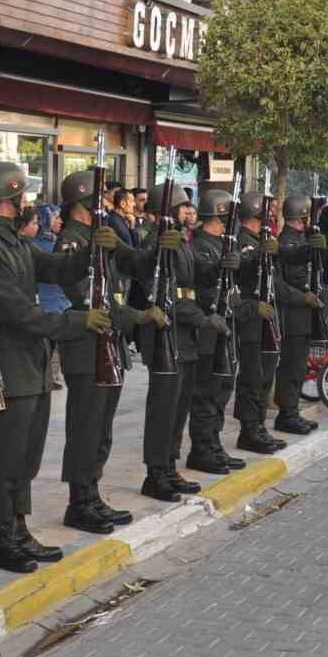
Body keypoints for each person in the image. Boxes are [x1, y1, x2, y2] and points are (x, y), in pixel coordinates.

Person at [0, 163, 111, 571]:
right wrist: (76, 322)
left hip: (31, 365)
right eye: (24, 197)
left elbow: (56, 268)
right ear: (10, 199)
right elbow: (19, 313)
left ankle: (16, 527)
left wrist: (91, 251)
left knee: (26, 456)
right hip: (8, 365)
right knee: (5, 457)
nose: (29, 204)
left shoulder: (17, 243)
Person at [53, 170, 155, 532]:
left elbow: (138, 266)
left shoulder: (103, 237)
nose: (106, 205)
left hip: (109, 343)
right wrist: (135, 315)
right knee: (86, 426)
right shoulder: (71, 241)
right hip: (86, 345)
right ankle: (79, 502)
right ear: (83, 204)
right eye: (99, 200)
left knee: (102, 428)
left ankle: (92, 494)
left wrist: (157, 239)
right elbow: (82, 296)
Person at [122, 184, 205, 500]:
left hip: (183, 335)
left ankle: (169, 466)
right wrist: (197, 315)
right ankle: (155, 474)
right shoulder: (155, 244)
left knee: (178, 406)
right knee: (163, 408)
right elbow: (162, 293)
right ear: (167, 210)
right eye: (183, 207)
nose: (188, 211)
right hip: (164, 335)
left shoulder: (181, 243)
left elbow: (191, 284)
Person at [185, 187, 245, 475]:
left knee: (222, 389)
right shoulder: (199, 245)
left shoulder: (221, 242)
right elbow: (202, 276)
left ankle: (214, 444)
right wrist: (221, 267)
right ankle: (202, 449)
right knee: (206, 393)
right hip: (207, 326)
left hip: (225, 323)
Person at [232, 194, 285, 454]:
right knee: (251, 376)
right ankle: (249, 431)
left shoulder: (259, 240)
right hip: (249, 315)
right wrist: (258, 255)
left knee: (262, 375)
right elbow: (241, 271)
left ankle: (258, 426)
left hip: (263, 314)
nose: (273, 213)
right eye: (269, 210)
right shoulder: (244, 240)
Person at [273, 195, 326, 435]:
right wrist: (310, 246)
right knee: (291, 366)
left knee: (297, 366)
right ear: (300, 218)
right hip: (291, 313)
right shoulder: (286, 240)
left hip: (302, 311)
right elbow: (292, 255)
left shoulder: (299, 239)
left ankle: (291, 411)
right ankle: (287, 414)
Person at [34, 203, 69, 390]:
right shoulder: (37, 244)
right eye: (56, 218)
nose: (60, 221)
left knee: (55, 345)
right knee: (46, 345)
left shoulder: (56, 240)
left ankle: (52, 376)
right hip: (45, 301)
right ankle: (44, 375)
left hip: (58, 300)